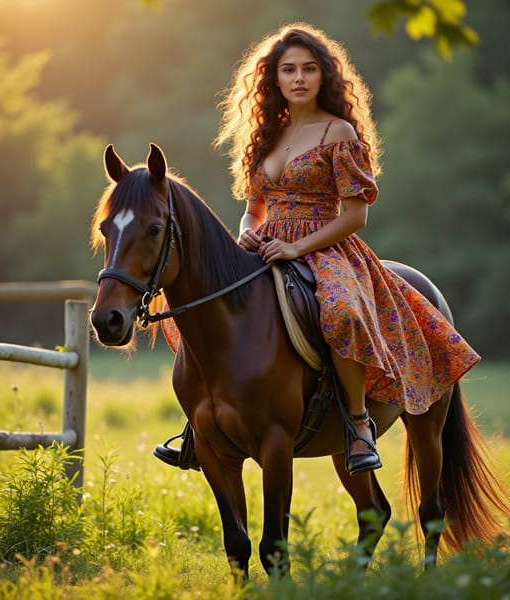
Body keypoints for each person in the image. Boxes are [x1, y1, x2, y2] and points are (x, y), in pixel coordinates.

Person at [154, 23, 480, 475]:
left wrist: (297, 247)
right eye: (289, 70)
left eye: (309, 68)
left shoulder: (339, 131)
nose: (299, 78)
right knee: (212, 308)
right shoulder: (266, 137)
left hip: (327, 247)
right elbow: (254, 209)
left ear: (324, 76)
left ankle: (358, 423)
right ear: (275, 79)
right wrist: (249, 230)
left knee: (342, 311)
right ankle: (201, 424)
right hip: (268, 246)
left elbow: (355, 215)